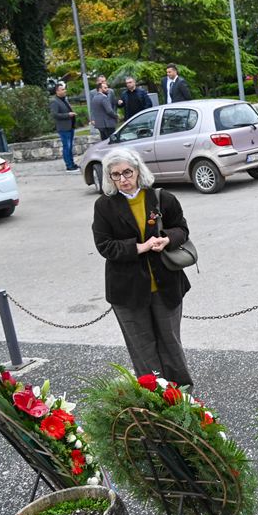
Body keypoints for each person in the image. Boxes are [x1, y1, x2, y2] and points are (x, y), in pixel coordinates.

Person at [92, 147, 194, 387]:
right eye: (115, 175)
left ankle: (182, 393)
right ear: (109, 177)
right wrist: (140, 247)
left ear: (138, 170)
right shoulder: (104, 205)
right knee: (142, 348)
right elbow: (104, 245)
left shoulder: (161, 198)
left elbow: (182, 229)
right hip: (127, 290)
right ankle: (153, 395)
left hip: (165, 284)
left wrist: (167, 239)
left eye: (127, 172)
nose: (123, 179)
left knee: (170, 343)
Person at [50, 82, 79, 172]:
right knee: (67, 147)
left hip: (70, 127)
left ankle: (72, 163)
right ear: (57, 91)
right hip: (64, 128)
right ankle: (69, 166)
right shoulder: (55, 101)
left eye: (64, 89)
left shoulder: (64, 100)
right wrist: (68, 115)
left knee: (70, 147)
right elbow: (55, 115)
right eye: (62, 89)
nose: (65, 91)